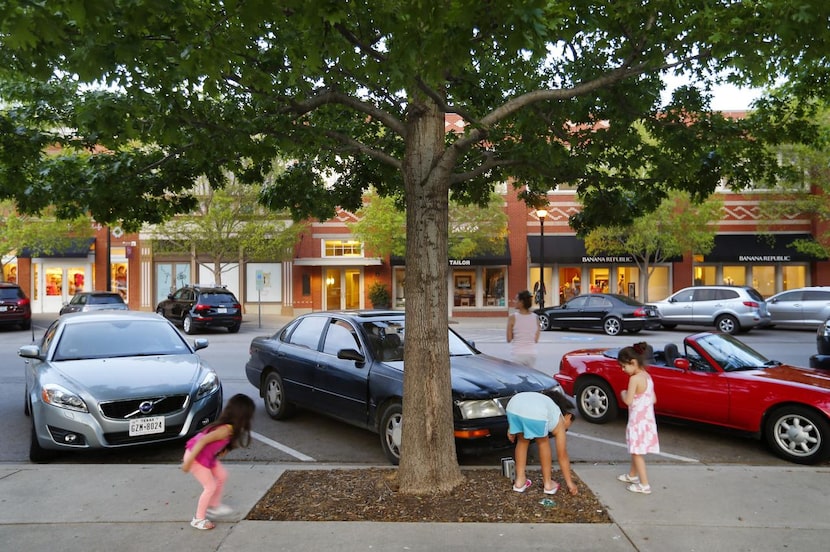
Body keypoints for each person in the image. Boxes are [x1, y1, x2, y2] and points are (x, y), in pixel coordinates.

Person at [181, 394, 255, 530]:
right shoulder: (224, 430)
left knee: (222, 475)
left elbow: (215, 444)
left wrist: (222, 451)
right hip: (196, 457)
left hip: (206, 456)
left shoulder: (230, 429)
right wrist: (188, 463)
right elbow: (202, 441)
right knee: (210, 487)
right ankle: (198, 519)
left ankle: (214, 505)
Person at [505, 390, 578, 496]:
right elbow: (562, 455)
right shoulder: (559, 419)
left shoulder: (545, 403)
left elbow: (524, 408)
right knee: (543, 443)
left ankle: (520, 482)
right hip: (536, 413)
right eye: (569, 425)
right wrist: (570, 483)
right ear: (568, 416)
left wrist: (511, 429)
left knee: (522, 441)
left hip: (513, 405)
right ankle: (548, 484)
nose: (566, 429)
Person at [617, 342, 660, 494]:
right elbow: (653, 399)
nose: (623, 370)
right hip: (647, 421)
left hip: (637, 422)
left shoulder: (634, 379)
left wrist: (622, 393)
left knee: (636, 452)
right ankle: (632, 475)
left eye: (624, 366)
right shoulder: (648, 377)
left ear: (633, 362)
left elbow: (628, 400)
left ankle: (644, 485)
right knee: (637, 451)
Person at [506, 290, 540, 368]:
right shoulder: (536, 318)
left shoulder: (512, 317)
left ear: (521, 302)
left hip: (518, 354)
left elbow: (509, 339)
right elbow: (536, 339)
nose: (514, 301)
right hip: (531, 354)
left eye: (516, 300)